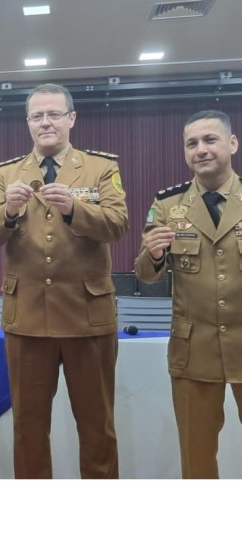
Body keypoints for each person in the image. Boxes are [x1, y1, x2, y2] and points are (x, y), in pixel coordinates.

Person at [0, 83, 128, 479]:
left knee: (97, 429)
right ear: (27, 122)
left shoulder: (101, 168)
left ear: (71, 119)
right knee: (28, 430)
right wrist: (8, 212)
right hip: (26, 319)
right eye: (37, 116)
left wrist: (76, 209)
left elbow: (118, 225)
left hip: (87, 318)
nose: (45, 122)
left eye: (54, 114)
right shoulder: (6, 174)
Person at [135, 109, 242, 478]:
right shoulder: (168, 205)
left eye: (210, 140)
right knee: (196, 457)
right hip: (194, 348)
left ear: (232, 143)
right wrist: (154, 254)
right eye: (192, 143)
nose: (201, 150)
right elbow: (145, 276)